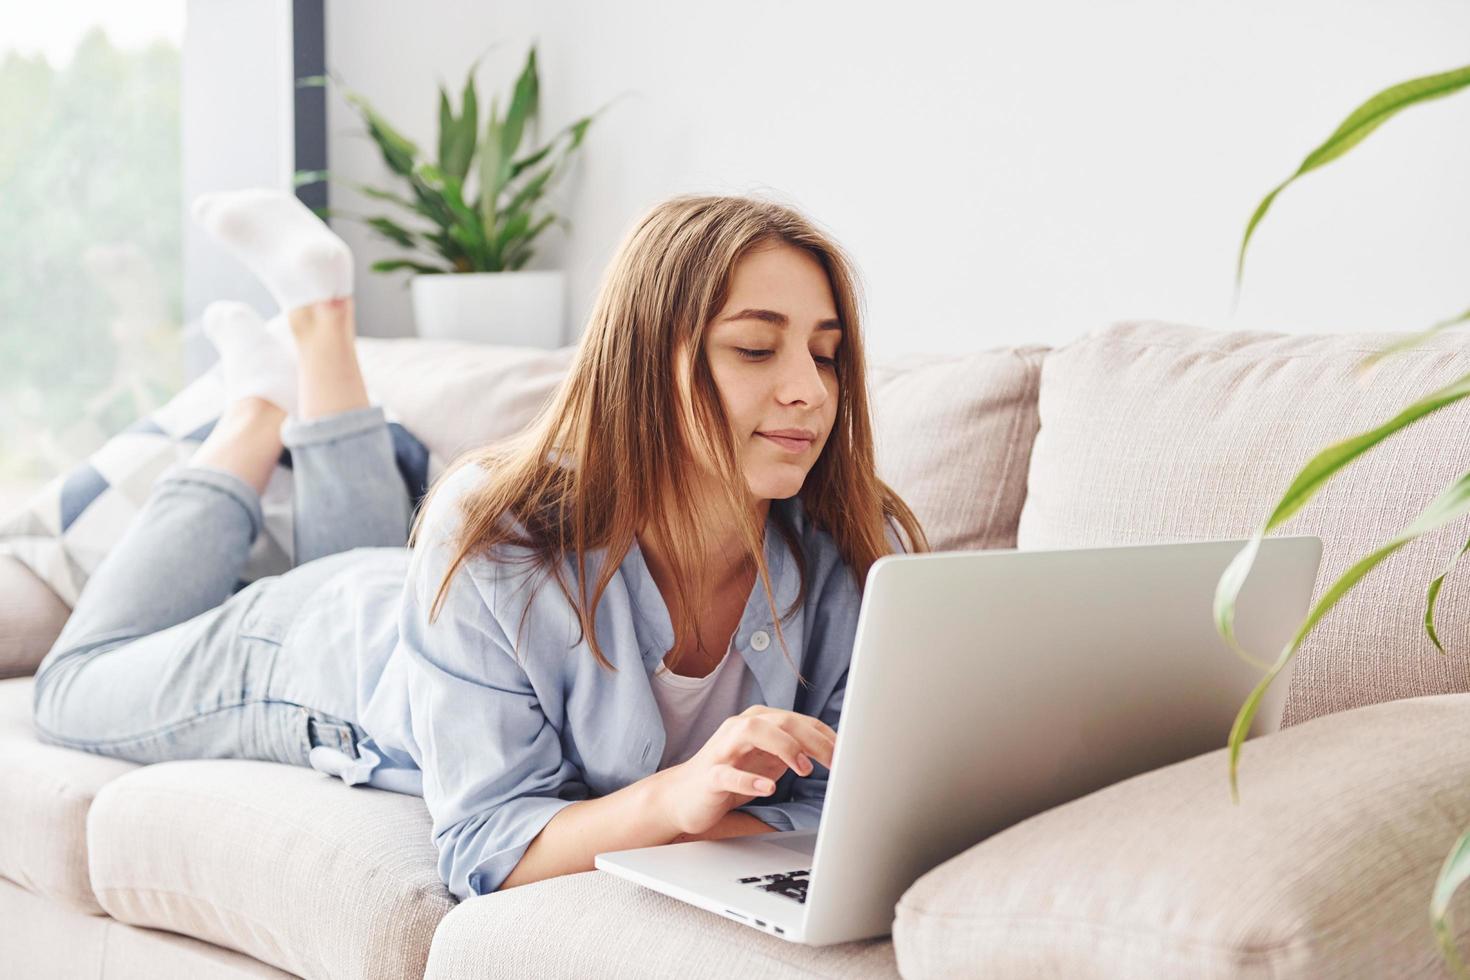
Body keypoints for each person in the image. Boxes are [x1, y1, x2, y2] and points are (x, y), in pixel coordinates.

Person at [30, 189, 929, 901]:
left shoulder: (851, 545)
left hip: (427, 599)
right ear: (644, 362)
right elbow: (483, 844)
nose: (809, 390)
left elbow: (835, 813)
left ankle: (316, 320)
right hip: (319, 654)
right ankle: (255, 412)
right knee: (69, 691)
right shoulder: (497, 532)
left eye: (826, 352)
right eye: (754, 349)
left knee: (387, 557)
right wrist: (672, 800)